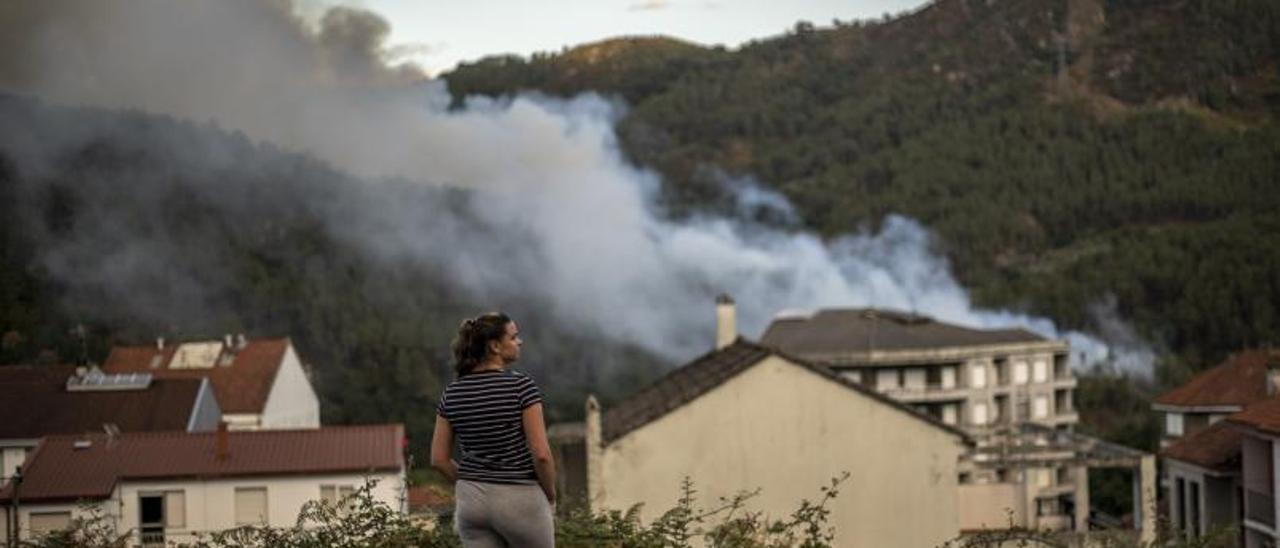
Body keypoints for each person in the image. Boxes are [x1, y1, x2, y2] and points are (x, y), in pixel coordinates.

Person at [431, 312, 556, 547]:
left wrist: (472, 480)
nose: (520, 342)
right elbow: (541, 454)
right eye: (514, 337)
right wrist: (550, 494)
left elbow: (438, 459)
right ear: (495, 346)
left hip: (471, 502)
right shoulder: (522, 387)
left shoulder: (451, 393)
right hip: (520, 498)